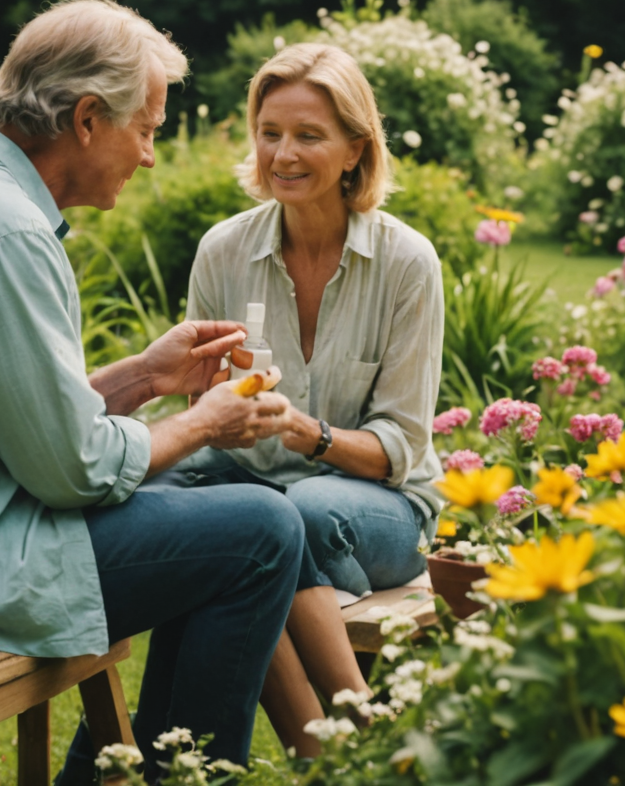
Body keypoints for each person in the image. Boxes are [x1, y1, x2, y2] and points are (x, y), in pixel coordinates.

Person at [0, 0, 306, 781]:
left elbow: (13, 416)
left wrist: (148, 376)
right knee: (261, 533)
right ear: (86, 119)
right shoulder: (5, 230)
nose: (150, 155)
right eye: (146, 130)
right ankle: (177, 776)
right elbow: (70, 468)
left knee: (214, 512)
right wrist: (208, 419)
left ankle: (132, 772)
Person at [176, 42, 444, 757]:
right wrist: (208, 422)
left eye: (308, 136)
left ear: (356, 150)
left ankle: (324, 745)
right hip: (255, 487)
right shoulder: (223, 252)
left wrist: (303, 432)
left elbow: (399, 450)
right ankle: (335, 751)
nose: (282, 154)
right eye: (270, 133)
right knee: (193, 503)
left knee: (296, 514)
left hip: (375, 508)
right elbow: (198, 406)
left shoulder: (407, 263)